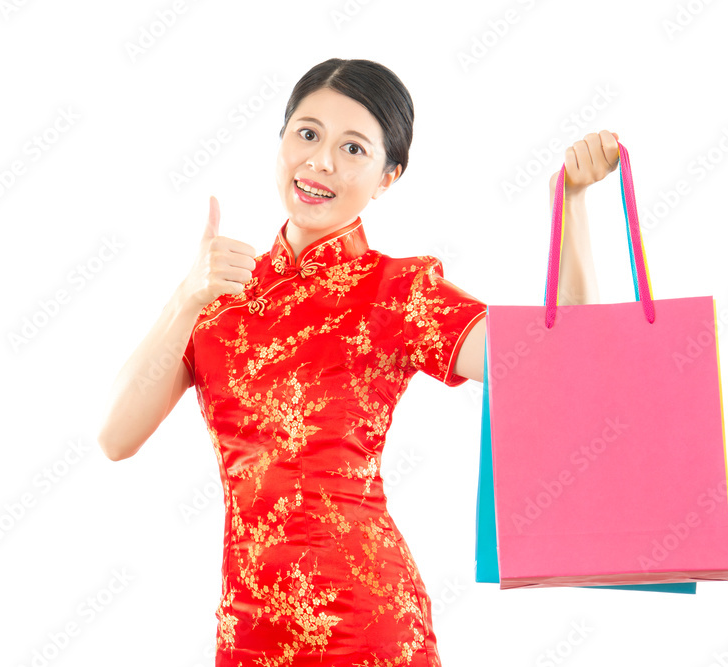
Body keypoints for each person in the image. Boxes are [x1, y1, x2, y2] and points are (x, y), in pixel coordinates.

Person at [98, 58, 620, 666]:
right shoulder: (220, 296)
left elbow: (566, 364)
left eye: (353, 148)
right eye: (308, 133)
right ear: (282, 140)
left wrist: (574, 205)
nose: (321, 162)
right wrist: (186, 295)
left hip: (367, 628)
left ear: (387, 177)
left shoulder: (397, 292)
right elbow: (115, 437)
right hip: (246, 635)